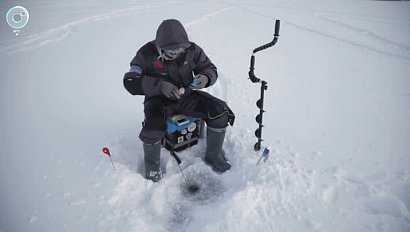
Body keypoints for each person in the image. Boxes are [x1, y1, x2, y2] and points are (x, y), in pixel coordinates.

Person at [123, 19, 235, 182]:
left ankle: (214, 155)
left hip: (186, 96)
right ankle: (152, 167)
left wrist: (205, 78)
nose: (175, 54)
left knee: (219, 111)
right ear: (159, 46)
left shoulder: (192, 50)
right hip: (158, 101)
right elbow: (130, 81)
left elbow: (209, 69)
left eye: (179, 50)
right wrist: (159, 86)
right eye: (170, 52)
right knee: (153, 125)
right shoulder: (145, 54)